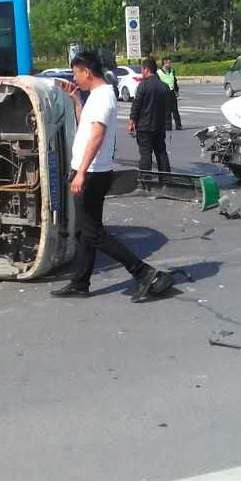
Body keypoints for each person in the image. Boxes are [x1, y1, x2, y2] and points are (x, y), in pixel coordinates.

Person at [52, 51, 169, 301]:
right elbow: (86, 126)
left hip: (92, 174)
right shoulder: (95, 96)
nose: (75, 78)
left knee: (93, 233)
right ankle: (80, 283)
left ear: (87, 71)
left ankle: (144, 272)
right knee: (86, 231)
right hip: (90, 171)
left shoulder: (103, 96)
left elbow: (97, 135)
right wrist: (75, 100)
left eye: (76, 73)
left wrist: (80, 173)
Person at [129, 56, 171, 176]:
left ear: (146, 69)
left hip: (144, 126)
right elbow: (168, 107)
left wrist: (131, 121)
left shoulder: (143, 85)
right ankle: (166, 179)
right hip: (159, 126)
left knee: (145, 154)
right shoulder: (164, 86)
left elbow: (136, 105)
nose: (142, 72)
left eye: (142, 69)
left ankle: (145, 181)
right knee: (161, 152)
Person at [158, 57, 183, 130]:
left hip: (172, 92)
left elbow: (174, 81)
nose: (169, 64)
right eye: (168, 63)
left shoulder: (172, 71)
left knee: (175, 110)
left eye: (170, 63)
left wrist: (176, 91)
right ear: (164, 63)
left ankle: (178, 126)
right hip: (164, 93)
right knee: (167, 111)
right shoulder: (159, 72)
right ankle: (168, 126)